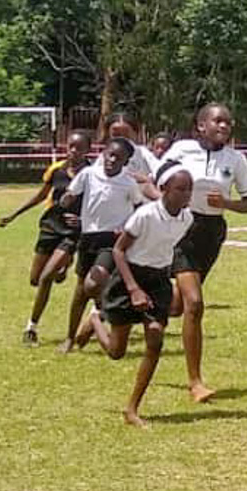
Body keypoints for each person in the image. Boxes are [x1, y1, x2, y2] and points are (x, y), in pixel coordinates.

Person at [159, 103, 247, 403]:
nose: (224, 126)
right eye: (218, 121)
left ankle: (116, 310)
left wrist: (226, 204)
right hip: (180, 227)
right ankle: (196, 382)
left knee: (175, 307)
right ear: (201, 125)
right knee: (195, 303)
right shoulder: (181, 150)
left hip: (211, 233)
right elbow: (157, 181)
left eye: (228, 122)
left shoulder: (235, 159)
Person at [84, 166, 195, 427]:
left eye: (189, 189)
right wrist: (133, 288)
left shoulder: (187, 219)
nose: (186, 194)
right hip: (127, 278)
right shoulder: (144, 215)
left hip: (157, 281)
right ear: (164, 189)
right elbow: (118, 251)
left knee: (155, 339)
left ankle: (132, 408)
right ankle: (95, 319)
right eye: (180, 189)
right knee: (116, 352)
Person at [56, 137, 148, 353]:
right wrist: (66, 202)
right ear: (103, 154)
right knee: (81, 291)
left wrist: (127, 228)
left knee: (93, 283)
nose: (112, 160)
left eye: (118, 157)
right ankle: (70, 337)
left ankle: (102, 310)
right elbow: (70, 195)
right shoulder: (88, 174)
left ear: (126, 162)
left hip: (111, 240)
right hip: (88, 237)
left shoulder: (128, 183)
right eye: (109, 154)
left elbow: (138, 208)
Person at [0, 131, 90, 346]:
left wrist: (83, 221)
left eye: (79, 147)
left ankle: (31, 328)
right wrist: (14, 214)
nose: (74, 151)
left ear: (88, 149)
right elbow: (41, 195)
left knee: (47, 277)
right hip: (50, 226)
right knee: (35, 279)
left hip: (71, 232)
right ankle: (62, 267)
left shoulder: (92, 173)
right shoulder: (56, 170)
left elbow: (98, 203)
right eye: (71, 146)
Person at [105, 113, 161, 185]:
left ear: (135, 133)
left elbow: (160, 171)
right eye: (116, 135)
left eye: (126, 135)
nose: (122, 139)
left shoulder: (143, 153)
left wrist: (148, 178)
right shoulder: (105, 156)